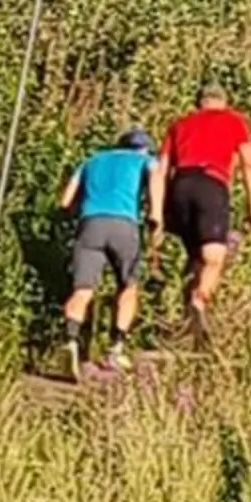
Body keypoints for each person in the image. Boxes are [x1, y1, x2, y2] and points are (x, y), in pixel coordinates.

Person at [159, 84, 251, 339]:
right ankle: (199, 302)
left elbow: (161, 170)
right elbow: (249, 164)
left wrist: (158, 212)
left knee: (196, 257)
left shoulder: (179, 124)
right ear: (224, 102)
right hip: (210, 184)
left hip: (179, 187)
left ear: (199, 103)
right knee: (214, 257)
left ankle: (187, 324)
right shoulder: (234, 121)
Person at [57, 127, 161, 382]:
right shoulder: (146, 160)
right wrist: (155, 214)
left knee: (82, 290)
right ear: (144, 149)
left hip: (90, 224)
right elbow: (156, 178)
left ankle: (70, 339)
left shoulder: (91, 160)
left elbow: (65, 201)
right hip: (124, 225)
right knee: (128, 286)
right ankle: (116, 348)